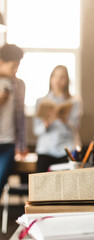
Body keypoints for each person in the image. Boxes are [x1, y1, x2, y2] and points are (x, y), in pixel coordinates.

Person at [33, 65, 83, 172]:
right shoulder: (41, 101)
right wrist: (47, 123)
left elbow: (76, 127)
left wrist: (64, 120)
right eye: (54, 76)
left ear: (67, 80)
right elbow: (36, 130)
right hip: (45, 149)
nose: (57, 80)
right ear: (50, 79)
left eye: (62, 77)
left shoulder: (74, 102)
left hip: (65, 148)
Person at [0, 44, 27, 197]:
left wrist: (22, 145)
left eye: (18, 65)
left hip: (9, 144)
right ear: (1, 62)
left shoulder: (19, 85)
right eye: (14, 65)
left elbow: (21, 117)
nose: (16, 70)